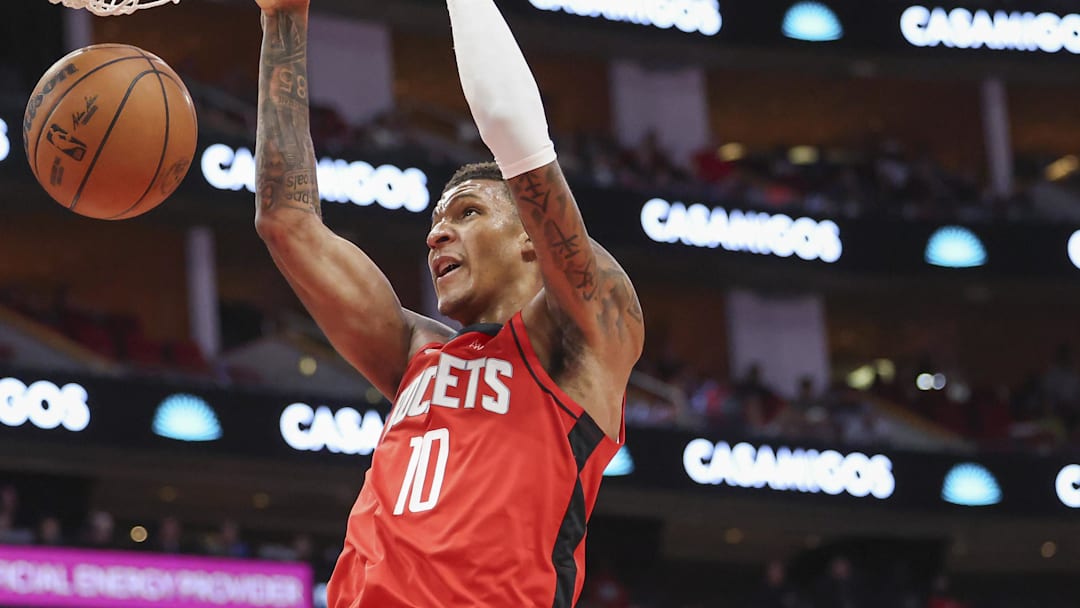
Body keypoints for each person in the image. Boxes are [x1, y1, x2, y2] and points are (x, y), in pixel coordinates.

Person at [251, 0, 644, 606]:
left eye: (468, 213)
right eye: (435, 221)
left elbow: (514, 128)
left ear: (529, 239)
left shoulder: (583, 337)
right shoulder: (420, 351)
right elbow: (286, 221)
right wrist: (283, 17)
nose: (436, 235)